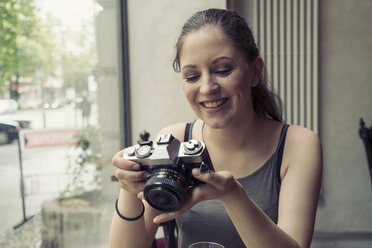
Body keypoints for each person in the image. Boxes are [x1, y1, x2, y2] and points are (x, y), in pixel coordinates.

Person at [110, 8, 322, 248]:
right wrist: (128, 188)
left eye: (223, 70)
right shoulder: (175, 140)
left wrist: (232, 195)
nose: (207, 87)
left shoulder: (298, 145)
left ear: (255, 71)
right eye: (192, 76)